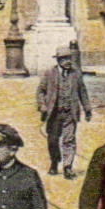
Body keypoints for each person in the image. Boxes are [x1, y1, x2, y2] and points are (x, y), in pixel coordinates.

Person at [37, 45, 92, 178]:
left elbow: (82, 92)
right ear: (58, 61)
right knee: (52, 141)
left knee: (69, 140)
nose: (68, 61)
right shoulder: (49, 73)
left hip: (70, 113)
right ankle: (55, 162)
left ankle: (68, 167)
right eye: (64, 59)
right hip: (54, 114)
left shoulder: (76, 73)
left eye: (69, 58)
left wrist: (87, 108)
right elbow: (40, 91)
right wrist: (42, 105)